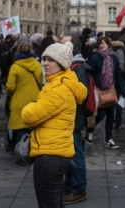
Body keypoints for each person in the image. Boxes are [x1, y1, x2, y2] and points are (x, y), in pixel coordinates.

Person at [22, 42, 87, 208]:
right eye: (44, 59)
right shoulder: (60, 83)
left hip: (50, 155)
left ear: (62, 64)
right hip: (56, 153)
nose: (45, 63)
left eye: (51, 60)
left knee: (48, 204)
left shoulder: (58, 89)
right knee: (55, 202)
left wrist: (31, 105)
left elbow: (29, 116)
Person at [62, 34, 90, 205]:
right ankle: (70, 184)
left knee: (76, 155)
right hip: (70, 118)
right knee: (70, 153)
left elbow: (81, 95)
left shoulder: (77, 69)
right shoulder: (71, 67)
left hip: (74, 118)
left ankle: (79, 189)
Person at [6, 41, 43, 166]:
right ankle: (34, 152)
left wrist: (11, 93)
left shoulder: (15, 66)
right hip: (34, 100)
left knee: (21, 129)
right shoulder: (37, 64)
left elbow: (10, 87)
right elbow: (40, 80)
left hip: (19, 101)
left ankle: (23, 157)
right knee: (32, 127)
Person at [86, 37, 125, 148]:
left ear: (109, 45)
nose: (102, 45)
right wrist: (96, 83)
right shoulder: (95, 57)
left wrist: (123, 89)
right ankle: (90, 130)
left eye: (103, 43)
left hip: (111, 89)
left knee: (110, 116)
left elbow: (118, 74)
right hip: (99, 90)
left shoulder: (114, 58)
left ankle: (109, 139)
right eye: (100, 44)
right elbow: (90, 73)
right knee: (101, 115)